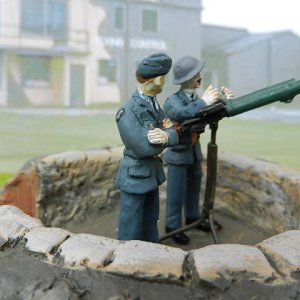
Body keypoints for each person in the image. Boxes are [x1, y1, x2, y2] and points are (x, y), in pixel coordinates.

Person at [163, 56, 234, 245]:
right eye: (197, 74)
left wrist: (223, 100)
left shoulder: (198, 98)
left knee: (194, 188)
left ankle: (193, 218)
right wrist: (205, 102)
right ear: (189, 78)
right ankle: (173, 226)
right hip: (178, 154)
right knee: (176, 193)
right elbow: (183, 114)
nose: (200, 77)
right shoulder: (173, 101)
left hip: (194, 151)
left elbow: (211, 112)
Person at [115, 52, 179, 243]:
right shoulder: (127, 111)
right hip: (135, 175)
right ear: (156, 80)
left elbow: (174, 132)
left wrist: (165, 136)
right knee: (131, 223)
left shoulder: (154, 105)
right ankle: (126, 258)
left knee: (151, 219)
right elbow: (144, 148)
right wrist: (165, 135)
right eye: (163, 78)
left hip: (151, 174)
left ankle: (149, 252)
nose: (164, 82)